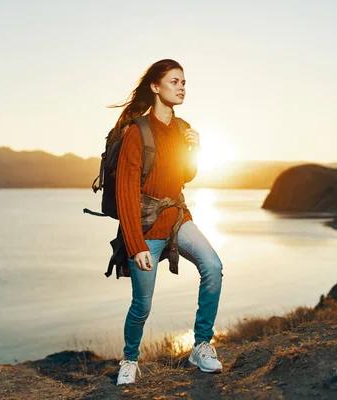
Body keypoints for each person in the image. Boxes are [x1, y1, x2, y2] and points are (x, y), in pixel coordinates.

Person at [110, 59, 224, 385]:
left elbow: (184, 176)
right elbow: (126, 194)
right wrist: (135, 245)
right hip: (145, 228)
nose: (181, 87)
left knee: (213, 267)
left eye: (184, 82)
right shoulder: (137, 132)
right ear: (156, 87)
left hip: (178, 219)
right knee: (142, 306)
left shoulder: (183, 126)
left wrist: (194, 150)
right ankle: (130, 358)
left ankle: (201, 345)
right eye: (174, 82)